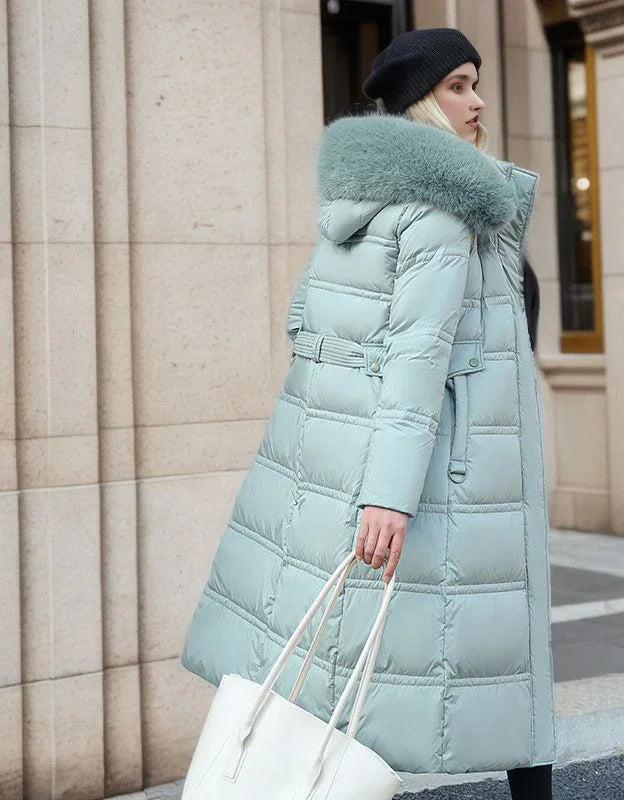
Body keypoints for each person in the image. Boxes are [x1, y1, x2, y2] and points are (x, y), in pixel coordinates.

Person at [181, 27, 555, 799]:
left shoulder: (360, 204)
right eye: (457, 86)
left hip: (349, 461)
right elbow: (416, 358)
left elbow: (307, 329)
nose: (478, 101)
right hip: (441, 474)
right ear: (419, 101)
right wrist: (388, 492)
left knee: (353, 656)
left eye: (476, 82)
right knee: (488, 658)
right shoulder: (442, 213)